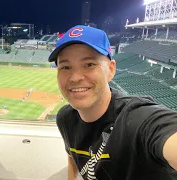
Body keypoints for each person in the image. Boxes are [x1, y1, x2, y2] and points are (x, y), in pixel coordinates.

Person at [48, 25, 177, 180]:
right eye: (66, 67)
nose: (75, 77)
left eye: (89, 64)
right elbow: (73, 159)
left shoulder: (137, 119)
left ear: (111, 70)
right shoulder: (65, 118)